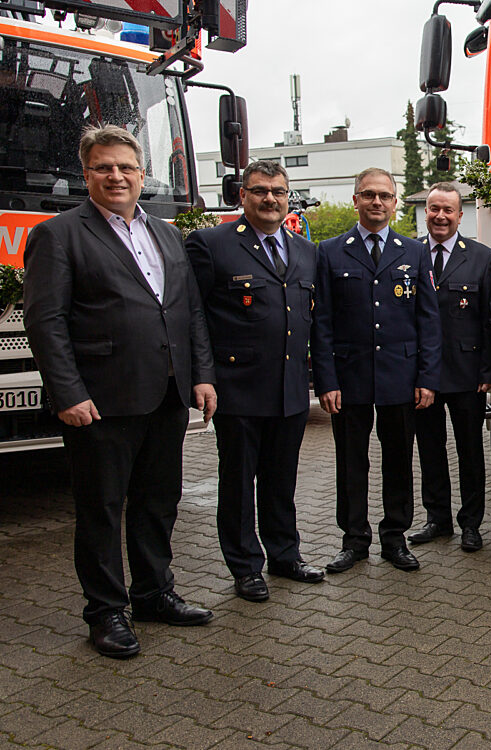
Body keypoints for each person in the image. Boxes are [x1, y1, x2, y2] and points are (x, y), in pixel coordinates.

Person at [24, 124, 217, 658]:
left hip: (167, 393)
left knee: (158, 502)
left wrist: (201, 374)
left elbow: (188, 310)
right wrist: (68, 393)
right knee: (103, 509)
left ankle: (154, 593)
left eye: (126, 167)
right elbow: (46, 322)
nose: (116, 176)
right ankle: (106, 612)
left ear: (141, 174)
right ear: (86, 174)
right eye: (104, 167)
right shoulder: (58, 235)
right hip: (100, 401)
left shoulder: (166, 233)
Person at [186, 160, 324, 602]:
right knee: (239, 481)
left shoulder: (305, 250)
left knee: (282, 479)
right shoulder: (211, 244)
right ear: (241, 196)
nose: (270, 199)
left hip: (289, 387)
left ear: (288, 197)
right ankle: (246, 566)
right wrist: (203, 377)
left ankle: (286, 554)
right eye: (260, 191)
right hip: (238, 386)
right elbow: (195, 319)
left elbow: (312, 320)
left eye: (278, 192)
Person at [311, 168, 441, 574]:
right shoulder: (329, 251)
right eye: (368, 195)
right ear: (355, 200)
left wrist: (426, 378)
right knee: (351, 462)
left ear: (395, 202)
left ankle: (394, 538)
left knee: (399, 460)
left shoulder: (414, 252)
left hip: (400, 378)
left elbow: (429, 322)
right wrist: (325, 381)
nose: (377, 203)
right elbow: (323, 323)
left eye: (385, 196)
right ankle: (354, 540)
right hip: (348, 380)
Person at [410, 183, 491, 553]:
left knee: (470, 451)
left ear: (462, 216)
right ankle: (437, 519)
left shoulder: (481, 256)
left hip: (467, 373)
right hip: (422, 375)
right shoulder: (409, 253)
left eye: (449, 210)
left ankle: (471, 523)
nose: (441, 216)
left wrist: (488, 372)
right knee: (430, 449)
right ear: (425, 213)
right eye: (434, 209)